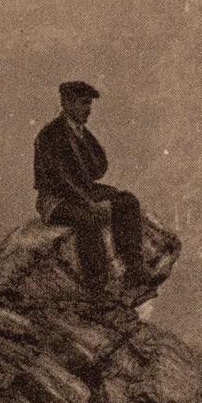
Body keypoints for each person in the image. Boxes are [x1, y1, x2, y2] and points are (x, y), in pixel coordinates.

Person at [33, 81, 145, 294]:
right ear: (67, 103)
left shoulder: (80, 132)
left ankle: (134, 268)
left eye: (89, 104)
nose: (89, 109)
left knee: (127, 201)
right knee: (88, 220)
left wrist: (91, 194)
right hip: (56, 200)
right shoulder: (49, 135)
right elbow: (60, 181)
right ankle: (97, 285)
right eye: (84, 103)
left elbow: (99, 167)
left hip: (83, 191)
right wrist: (89, 202)